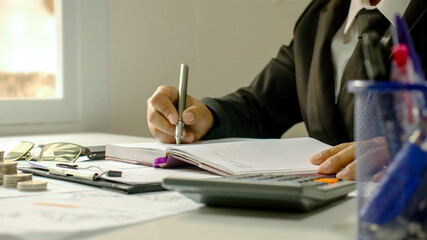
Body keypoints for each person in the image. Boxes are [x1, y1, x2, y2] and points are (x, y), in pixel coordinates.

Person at [147, 0, 427, 180]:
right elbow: (260, 105)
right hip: (319, 217)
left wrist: (417, 149)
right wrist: (205, 116)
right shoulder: (320, 16)